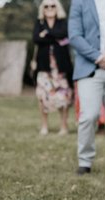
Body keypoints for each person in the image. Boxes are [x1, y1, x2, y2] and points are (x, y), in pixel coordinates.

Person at [69, 0, 105, 176]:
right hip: (89, 68)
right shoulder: (79, 3)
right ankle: (85, 161)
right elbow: (74, 36)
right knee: (88, 116)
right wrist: (98, 56)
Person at [33, 0, 73, 136]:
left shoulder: (63, 22)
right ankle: (44, 126)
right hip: (44, 67)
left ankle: (64, 126)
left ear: (58, 8)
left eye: (52, 5)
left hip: (60, 67)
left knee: (63, 97)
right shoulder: (39, 23)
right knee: (42, 96)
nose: (49, 8)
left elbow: (64, 35)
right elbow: (36, 39)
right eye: (46, 6)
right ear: (42, 9)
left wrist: (46, 35)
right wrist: (54, 36)